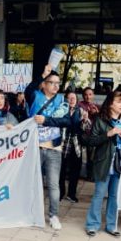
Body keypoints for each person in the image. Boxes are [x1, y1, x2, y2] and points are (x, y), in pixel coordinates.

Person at [25, 65, 81, 231]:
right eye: (52, 83)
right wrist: (41, 75)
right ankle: (31, 213)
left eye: (58, 83)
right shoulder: (35, 95)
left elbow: (67, 121)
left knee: (54, 184)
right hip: (35, 147)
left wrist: (47, 121)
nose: (56, 86)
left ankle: (53, 215)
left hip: (54, 147)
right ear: (44, 84)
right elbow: (28, 90)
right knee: (32, 182)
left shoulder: (61, 101)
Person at [82, 90, 121, 237]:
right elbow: (91, 141)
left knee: (115, 196)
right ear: (110, 103)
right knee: (99, 194)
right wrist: (108, 134)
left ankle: (112, 226)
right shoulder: (101, 119)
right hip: (103, 162)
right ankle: (92, 225)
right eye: (118, 101)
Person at [59, 90, 84, 203]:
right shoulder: (61, 110)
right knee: (61, 169)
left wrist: (85, 120)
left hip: (76, 144)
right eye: (69, 98)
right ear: (66, 99)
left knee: (75, 171)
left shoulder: (81, 111)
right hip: (63, 143)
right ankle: (60, 193)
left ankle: (71, 194)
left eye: (74, 98)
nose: (72, 100)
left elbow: (86, 128)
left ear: (77, 100)